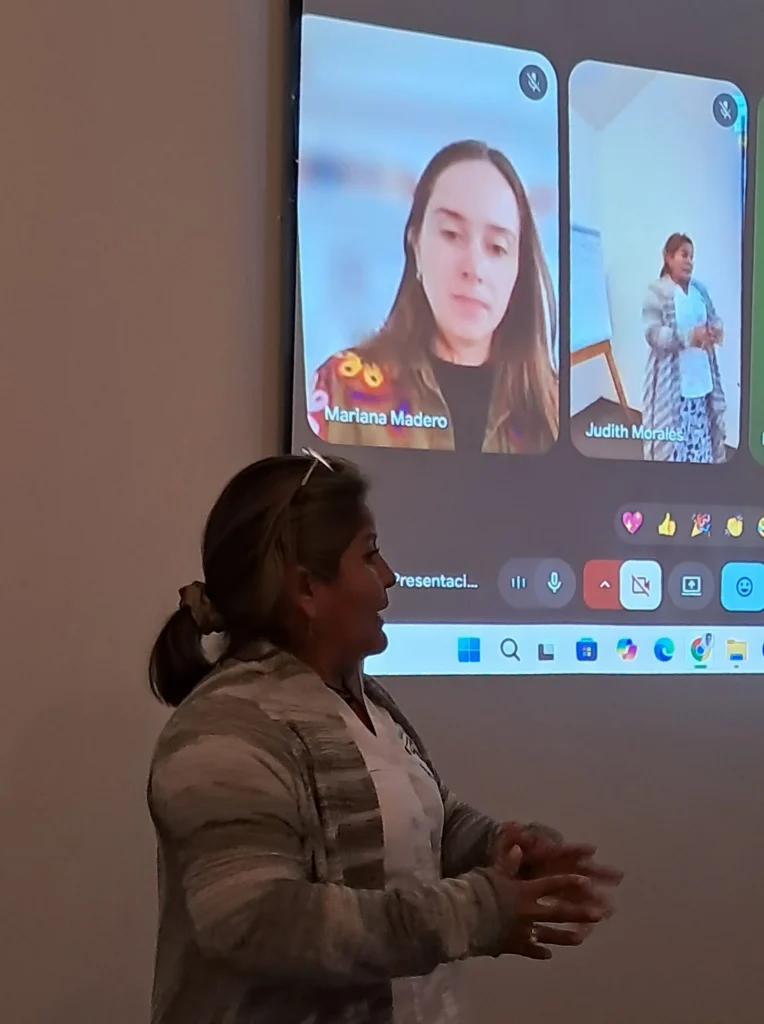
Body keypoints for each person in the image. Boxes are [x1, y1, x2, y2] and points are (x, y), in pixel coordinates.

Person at [147, 450, 621, 1024]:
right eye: (369, 554)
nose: (390, 575)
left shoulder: (363, 699)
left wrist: (499, 849)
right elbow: (259, 922)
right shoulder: (225, 729)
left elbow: (418, 825)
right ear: (307, 589)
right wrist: (479, 911)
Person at [308, 140, 559, 454]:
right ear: (416, 244)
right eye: (451, 234)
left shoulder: (556, 411)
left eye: (497, 247)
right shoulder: (342, 388)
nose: (474, 268)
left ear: (519, 269)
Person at [641, 232, 727, 462]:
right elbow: (653, 333)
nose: (689, 261)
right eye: (684, 255)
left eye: (692, 256)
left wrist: (715, 330)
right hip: (673, 390)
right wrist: (689, 336)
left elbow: (714, 318)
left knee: (701, 450)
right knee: (674, 454)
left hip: (701, 383)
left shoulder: (699, 290)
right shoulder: (657, 291)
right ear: (668, 257)